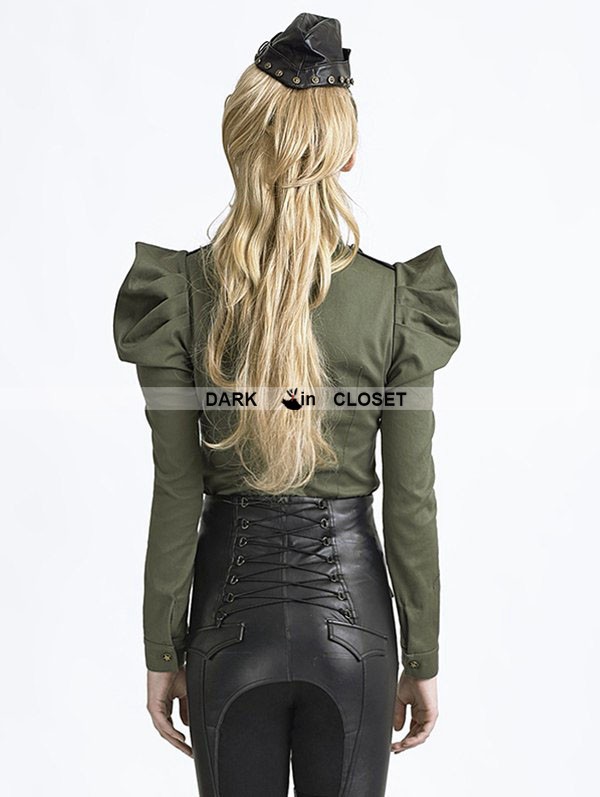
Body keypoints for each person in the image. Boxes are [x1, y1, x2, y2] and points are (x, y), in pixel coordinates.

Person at [112, 12, 461, 797]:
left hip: (226, 627)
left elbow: (177, 489)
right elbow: (412, 499)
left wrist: (161, 648)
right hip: (356, 628)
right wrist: (422, 656)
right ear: (347, 150)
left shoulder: (179, 296)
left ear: (239, 143)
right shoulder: (398, 303)